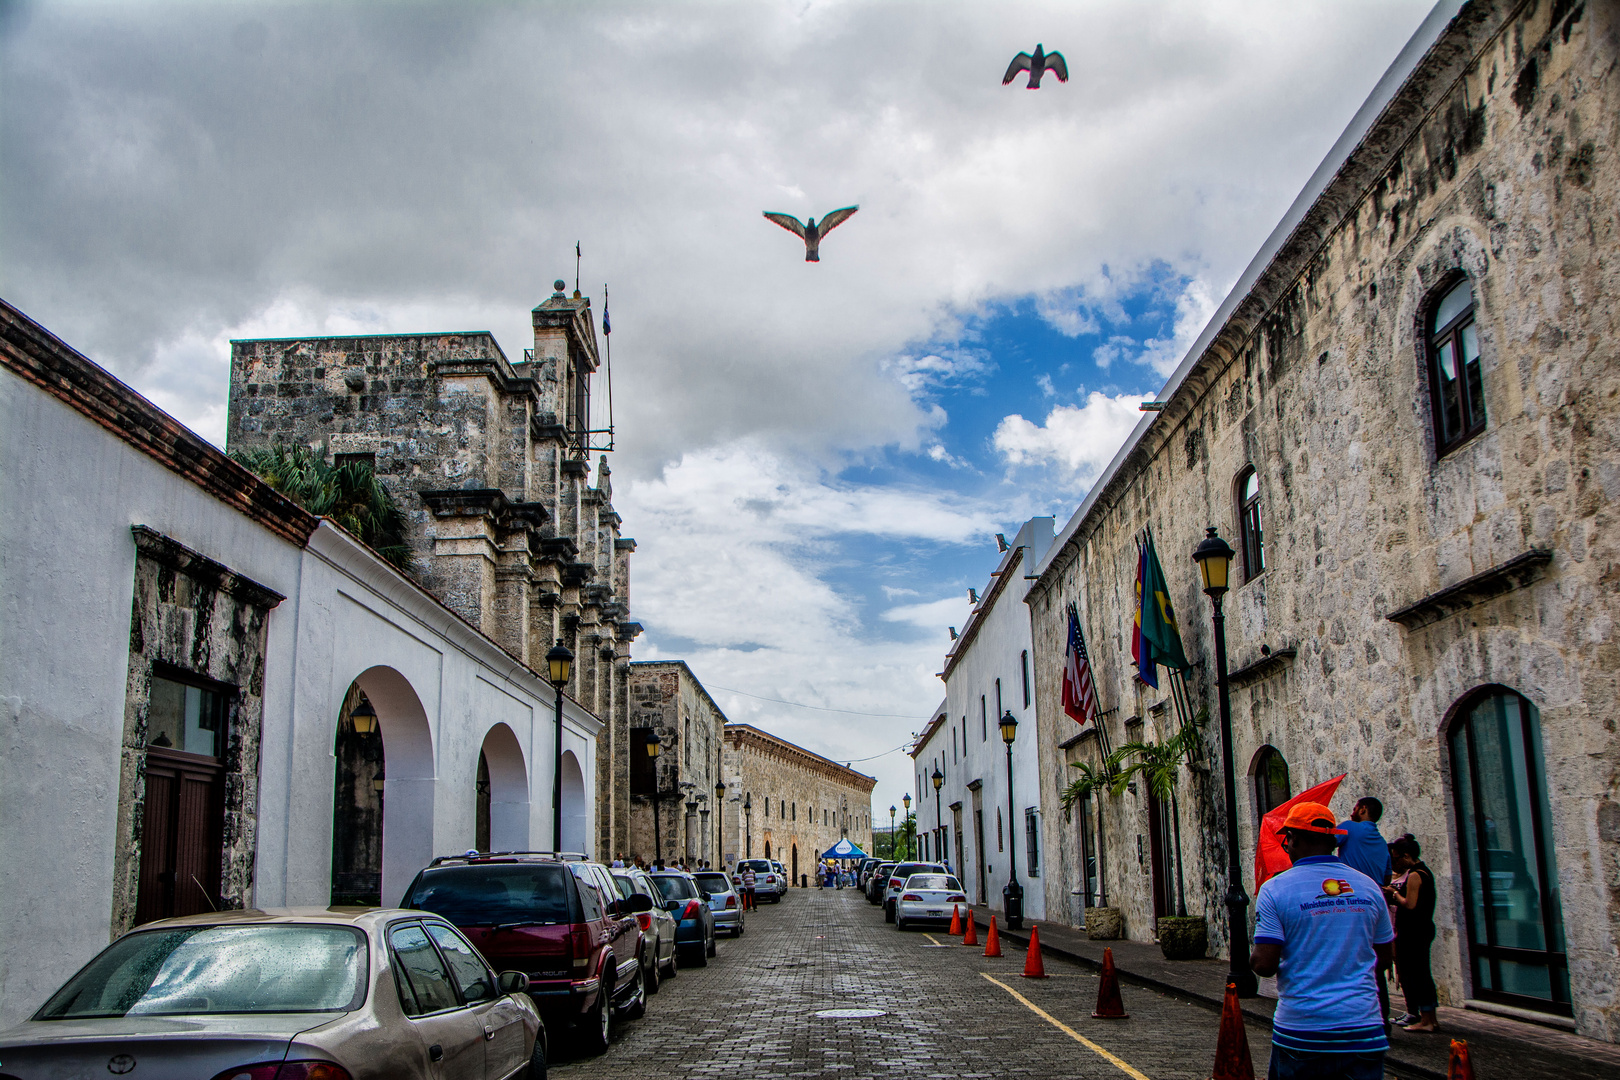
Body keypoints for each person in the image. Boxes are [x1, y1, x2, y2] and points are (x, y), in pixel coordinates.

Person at [1251, 801, 1394, 1080]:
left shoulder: (1275, 889)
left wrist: (1254, 958)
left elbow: (1265, 964)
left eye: (1287, 839)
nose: (1286, 846)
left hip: (1304, 1029)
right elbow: (1385, 957)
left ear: (1295, 838)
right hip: (1363, 1027)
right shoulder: (1368, 886)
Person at [1337, 797, 1393, 1030]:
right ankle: (1383, 1020)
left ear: (1361, 809)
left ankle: (1354, 1017)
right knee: (1377, 966)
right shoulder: (1381, 842)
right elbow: (1388, 877)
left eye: (1354, 807)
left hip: (1351, 903)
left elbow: (1324, 843)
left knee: (1350, 960)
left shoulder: (1349, 828)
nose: (1352, 812)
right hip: (1377, 903)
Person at [1384, 834, 1439, 1033]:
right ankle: (1429, 1018)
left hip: (1414, 930)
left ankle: (1426, 1020)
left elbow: (1410, 903)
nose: (1395, 864)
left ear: (1406, 856)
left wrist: (1394, 894)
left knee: (1418, 974)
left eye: (1396, 858)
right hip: (1419, 929)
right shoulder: (1425, 872)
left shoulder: (1416, 874)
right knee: (1421, 973)